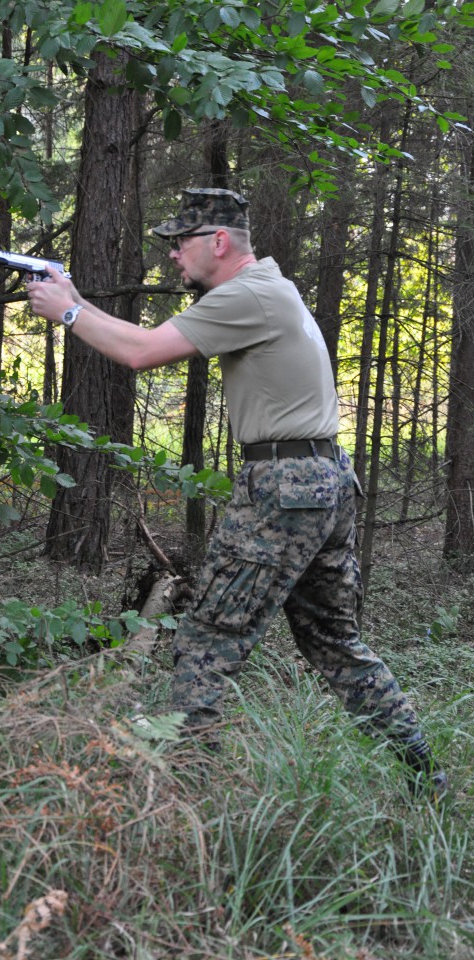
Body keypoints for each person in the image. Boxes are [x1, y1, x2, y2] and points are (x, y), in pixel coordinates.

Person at [27, 187, 447, 801]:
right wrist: (76, 298)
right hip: (322, 481)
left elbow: (142, 353)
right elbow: (147, 335)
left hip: (285, 489)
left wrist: (67, 313)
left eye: (181, 242)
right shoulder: (267, 289)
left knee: (207, 638)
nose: (173, 254)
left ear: (218, 242)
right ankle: (423, 773)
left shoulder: (248, 295)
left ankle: (185, 802)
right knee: (334, 641)